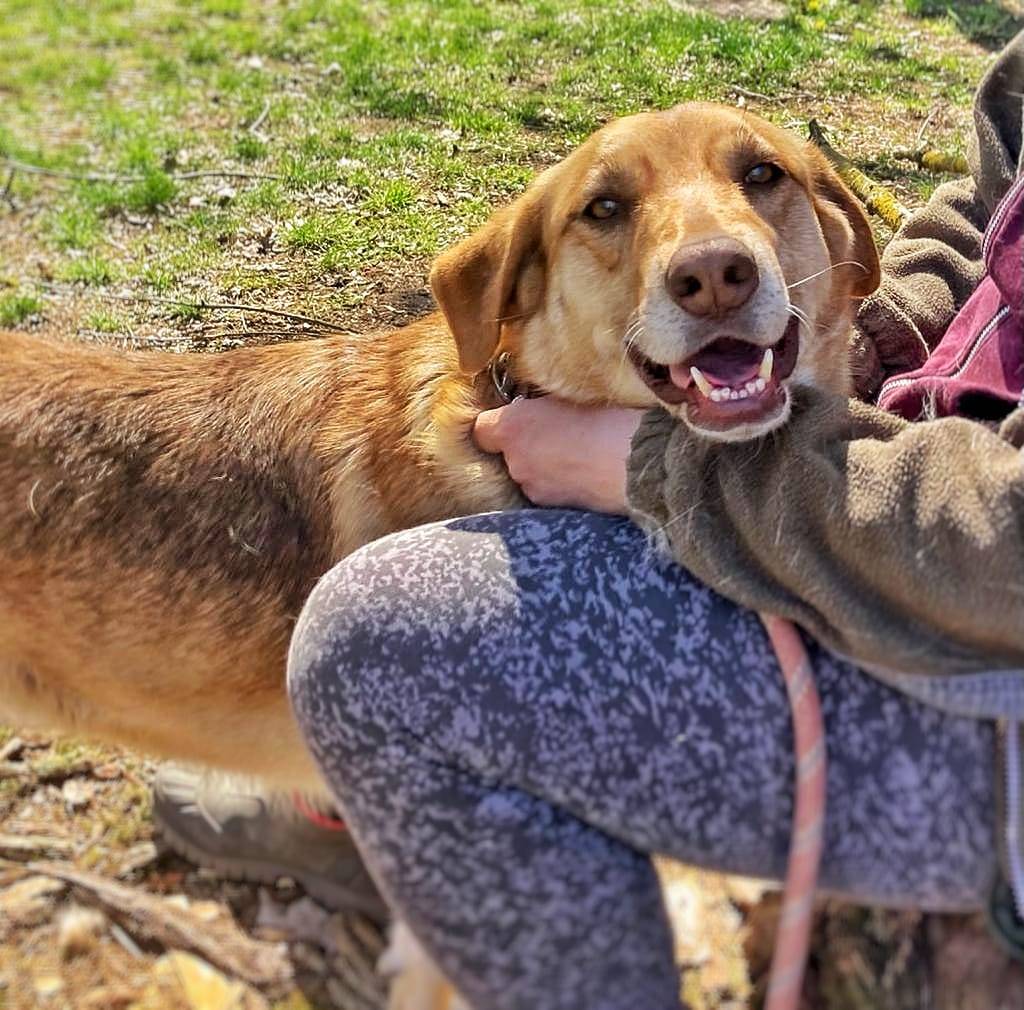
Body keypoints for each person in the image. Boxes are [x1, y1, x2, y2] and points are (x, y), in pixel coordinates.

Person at [165, 31, 1024, 1009]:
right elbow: (998, 213)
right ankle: (372, 836)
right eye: (609, 210)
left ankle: (380, 832)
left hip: (988, 661)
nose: (711, 259)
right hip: (921, 502)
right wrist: (862, 343)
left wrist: (659, 467)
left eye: (758, 178)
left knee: (379, 649)